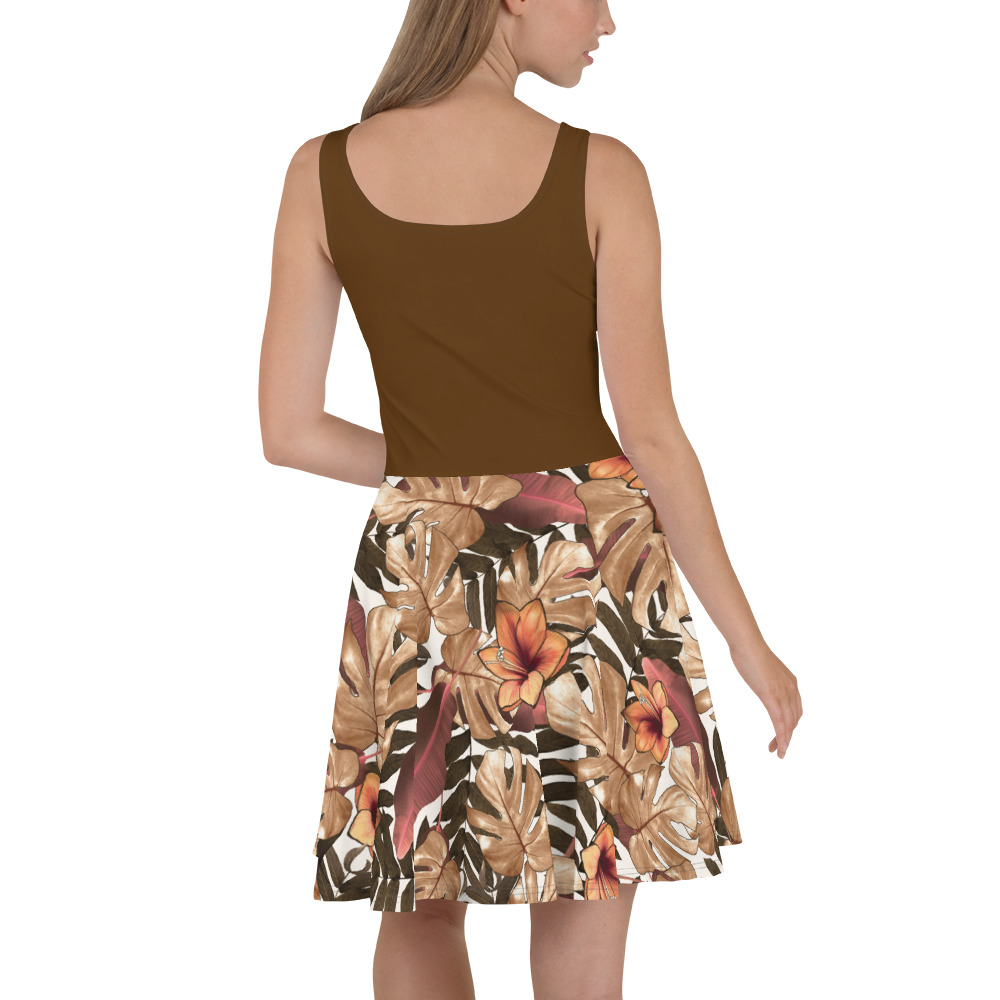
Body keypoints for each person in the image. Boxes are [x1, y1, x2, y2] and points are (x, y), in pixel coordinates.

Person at [258, 1, 802, 997]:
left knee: (418, 900)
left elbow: (288, 430)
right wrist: (748, 641)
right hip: (581, 572)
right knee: (585, 894)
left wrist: (442, 474)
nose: (608, 20)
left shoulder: (319, 172)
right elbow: (651, 438)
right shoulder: (602, 172)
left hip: (418, 575)